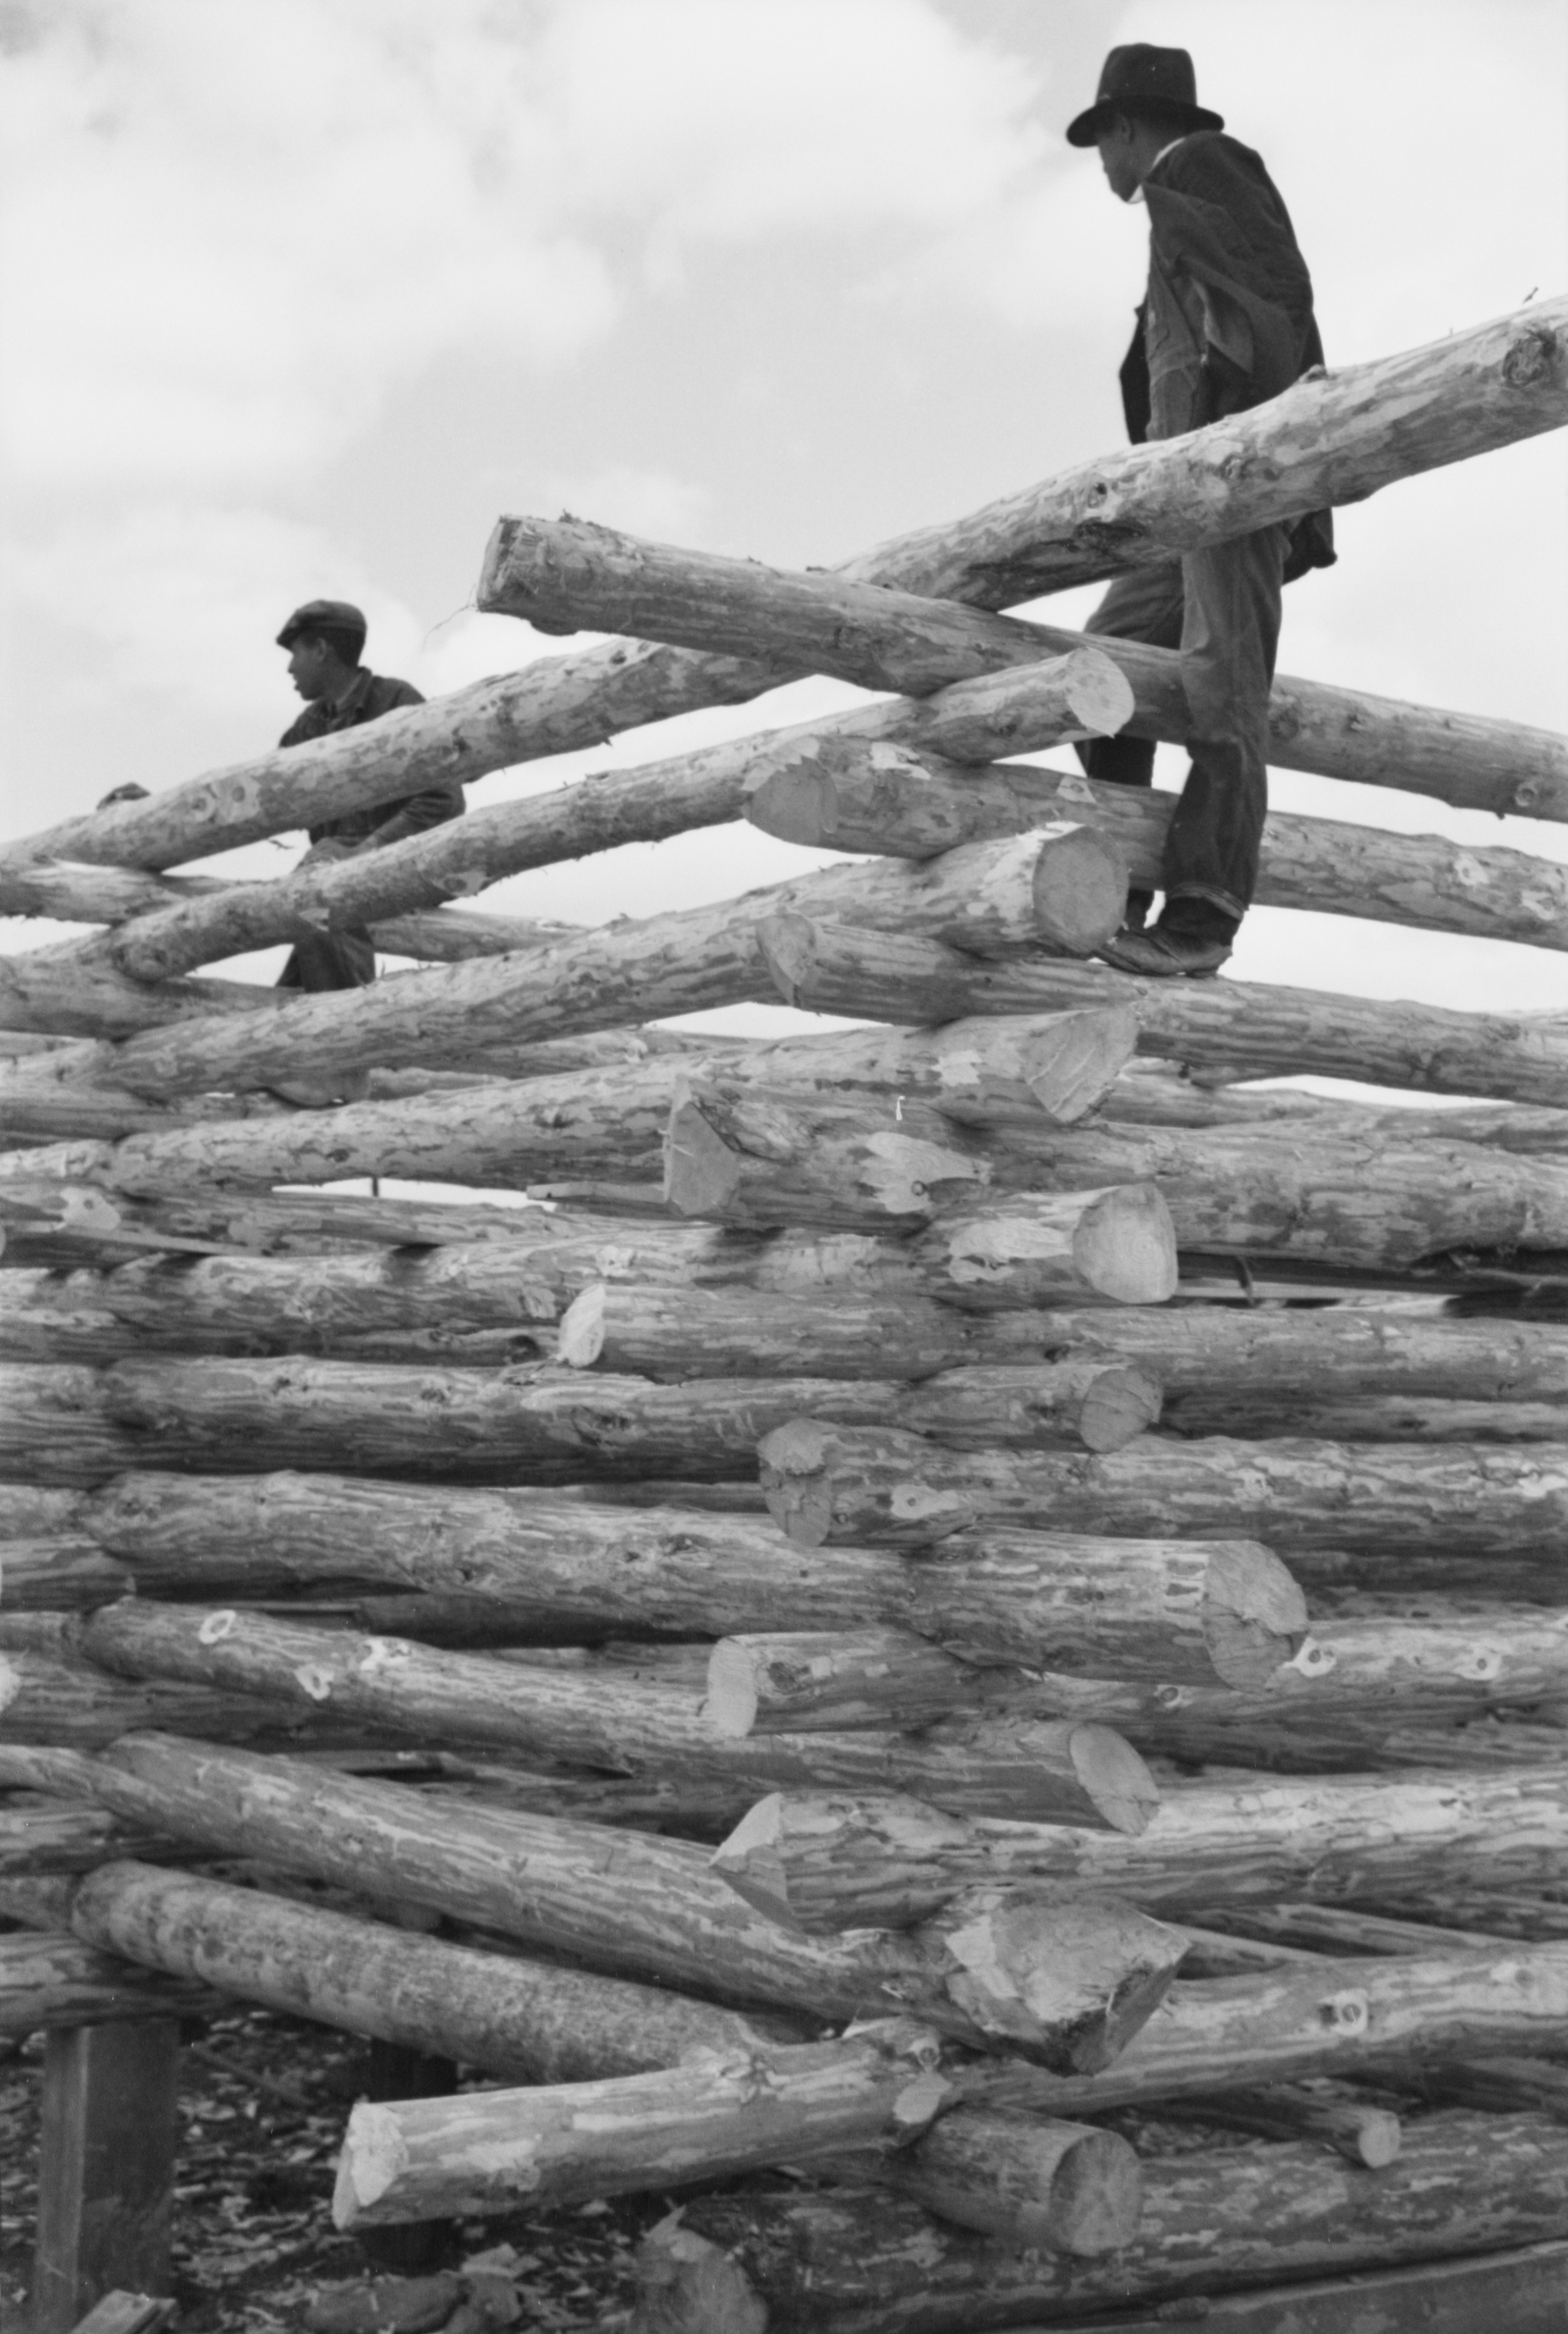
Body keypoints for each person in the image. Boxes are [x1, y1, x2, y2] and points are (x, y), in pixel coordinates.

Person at [1066, 45, 1334, 977]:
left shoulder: (1207, 168)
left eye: (1099, 141)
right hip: (1175, 503)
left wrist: (1241, 451)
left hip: (1229, 490)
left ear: (1127, 128)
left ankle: (1202, 913)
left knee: (1221, 694)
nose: (1100, 164)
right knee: (1099, 674)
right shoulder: (1174, 204)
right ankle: (1123, 887)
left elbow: (1277, 299)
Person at [273, 598, 463, 991]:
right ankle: (320, 1032)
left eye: (296, 654)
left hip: (412, 867)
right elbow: (261, 801)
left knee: (314, 894)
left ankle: (344, 1029)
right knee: (306, 934)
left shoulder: (396, 703)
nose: (290, 667)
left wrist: (369, 850)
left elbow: (444, 800)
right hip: (333, 875)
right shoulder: (307, 729)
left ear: (322, 650)